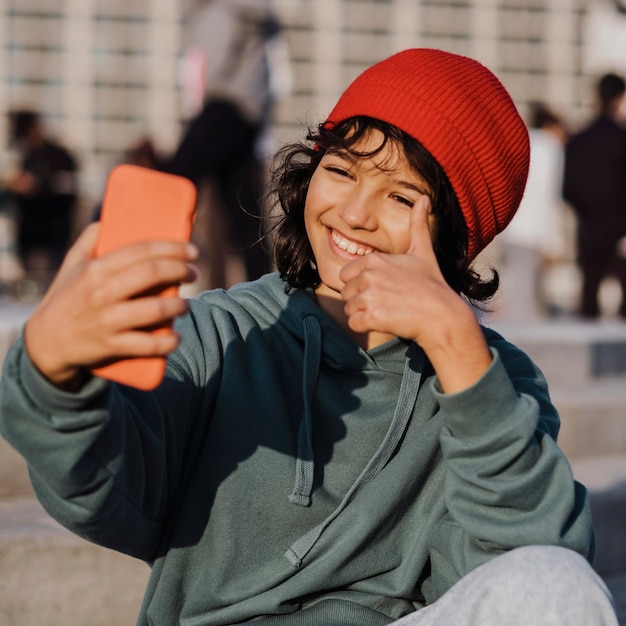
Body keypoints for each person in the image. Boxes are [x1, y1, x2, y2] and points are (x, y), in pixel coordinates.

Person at [0, 49, 618, 625]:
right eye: (341, 171)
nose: (352, 213)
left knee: (553, 579)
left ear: (456, 237)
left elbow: (524, 569)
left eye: (401, 196)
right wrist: (54, 375)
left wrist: (456, 347)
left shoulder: (490, 379)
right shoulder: (223, 333)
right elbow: (102, 490)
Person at [165, 0, 289, 289]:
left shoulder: (224, 10)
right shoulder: (250, 15)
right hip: (250, 111)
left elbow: (214, 65)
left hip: (226, 104)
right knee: (244, 212)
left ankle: (146, 252)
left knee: (176, 178)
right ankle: (266, 290)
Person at [563, 72, 626, 319]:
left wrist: (588, 213)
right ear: (620, 98)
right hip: (621, 229)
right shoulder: (622, 139)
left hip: (589, 226)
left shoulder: (579, 140)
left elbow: (567, 189)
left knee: (589, 295)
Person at [499, 102, 569, 320]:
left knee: (519, 292)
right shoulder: (551, 148)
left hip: (511, 227)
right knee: (528, 299)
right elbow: (549, 197)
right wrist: (554, 241)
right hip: (534, 232)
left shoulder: (522, 142)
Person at [4, 109, 79, 288]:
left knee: (51, 288)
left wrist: (36, 187)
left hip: (52, 238)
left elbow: (68, 190)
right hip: (28, 239)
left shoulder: (59, 156)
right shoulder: (27, 157)